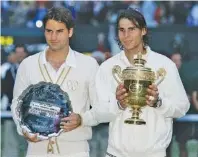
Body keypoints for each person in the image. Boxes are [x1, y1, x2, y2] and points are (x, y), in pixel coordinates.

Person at [94, 8, 190, 157]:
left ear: (143, 30)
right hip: (116, 154)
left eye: (132, 29)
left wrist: (159, 103)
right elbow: (98, 113)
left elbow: (182, 107)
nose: (126, 35)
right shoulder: (108, 67)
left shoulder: (164, 65)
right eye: (122, 30)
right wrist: (118, 104)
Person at [11, 7, 99, 157]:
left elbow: (102, 106)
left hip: (75, 150)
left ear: (70, 32)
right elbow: (17, 103)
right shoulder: (28, 64)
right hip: (37, 149)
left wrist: (82, 119)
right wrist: (23, 129)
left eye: (59, 31)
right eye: (49, 31)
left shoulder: (89, 65)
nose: (53, 37)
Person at [1, 44, 28, 157]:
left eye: (21, 53)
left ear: (26, 54)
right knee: (8, 141)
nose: (19, 56)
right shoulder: (9, 69)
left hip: (26, 112)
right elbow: (6, 88)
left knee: (24, 143)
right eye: (17, 53)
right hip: (9, 110)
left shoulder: (33, 69)